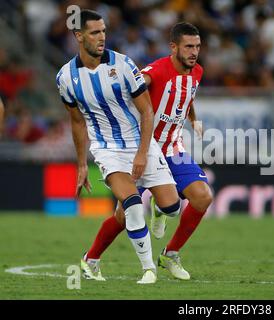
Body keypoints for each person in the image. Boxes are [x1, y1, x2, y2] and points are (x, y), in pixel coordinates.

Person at [56, 9, 181, 284]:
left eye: (103, 31)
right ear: (79, 36)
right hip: (107, 149)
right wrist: (80, 165)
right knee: (134, 206)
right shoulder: (65, 77)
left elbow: (146, 111)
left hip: (141, 144)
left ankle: (92, 258)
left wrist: (140, 154)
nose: (102, 37)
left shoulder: (124, 65)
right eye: (94, 32)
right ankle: (148, 269)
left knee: (173, 208)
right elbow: (76, 121)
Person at [82, 22, 213, 281]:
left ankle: (170, 253)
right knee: (123, 216)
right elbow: (133, 87)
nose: (194, 52)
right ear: (173, 47)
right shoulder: (154, 71)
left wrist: (194, 119)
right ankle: (91, 259)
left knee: (202, 197)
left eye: (197, 46)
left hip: (173, 147)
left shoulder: (197, 71)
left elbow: (187, 96)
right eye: (188, 46)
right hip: (143, 149)